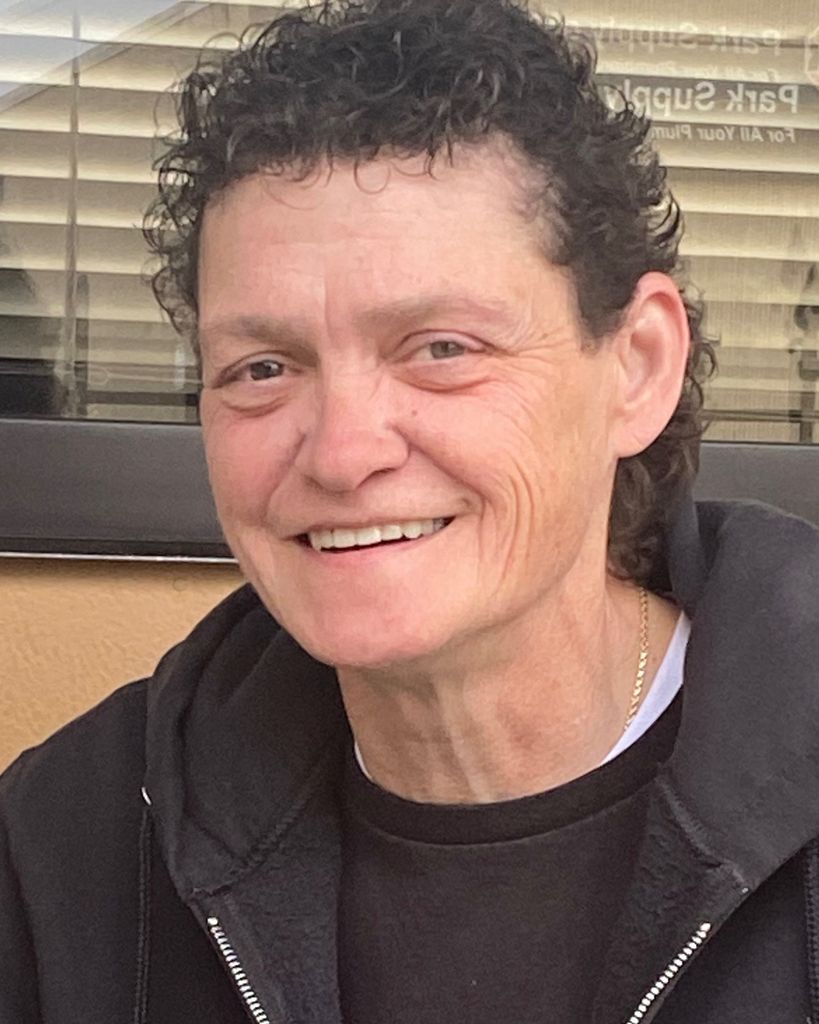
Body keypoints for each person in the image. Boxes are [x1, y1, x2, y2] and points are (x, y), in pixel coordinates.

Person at [2, 1, 819, 1021]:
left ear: (637, 367)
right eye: (263, 368)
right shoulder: (72, 845)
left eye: (440, 349)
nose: (342, 453)